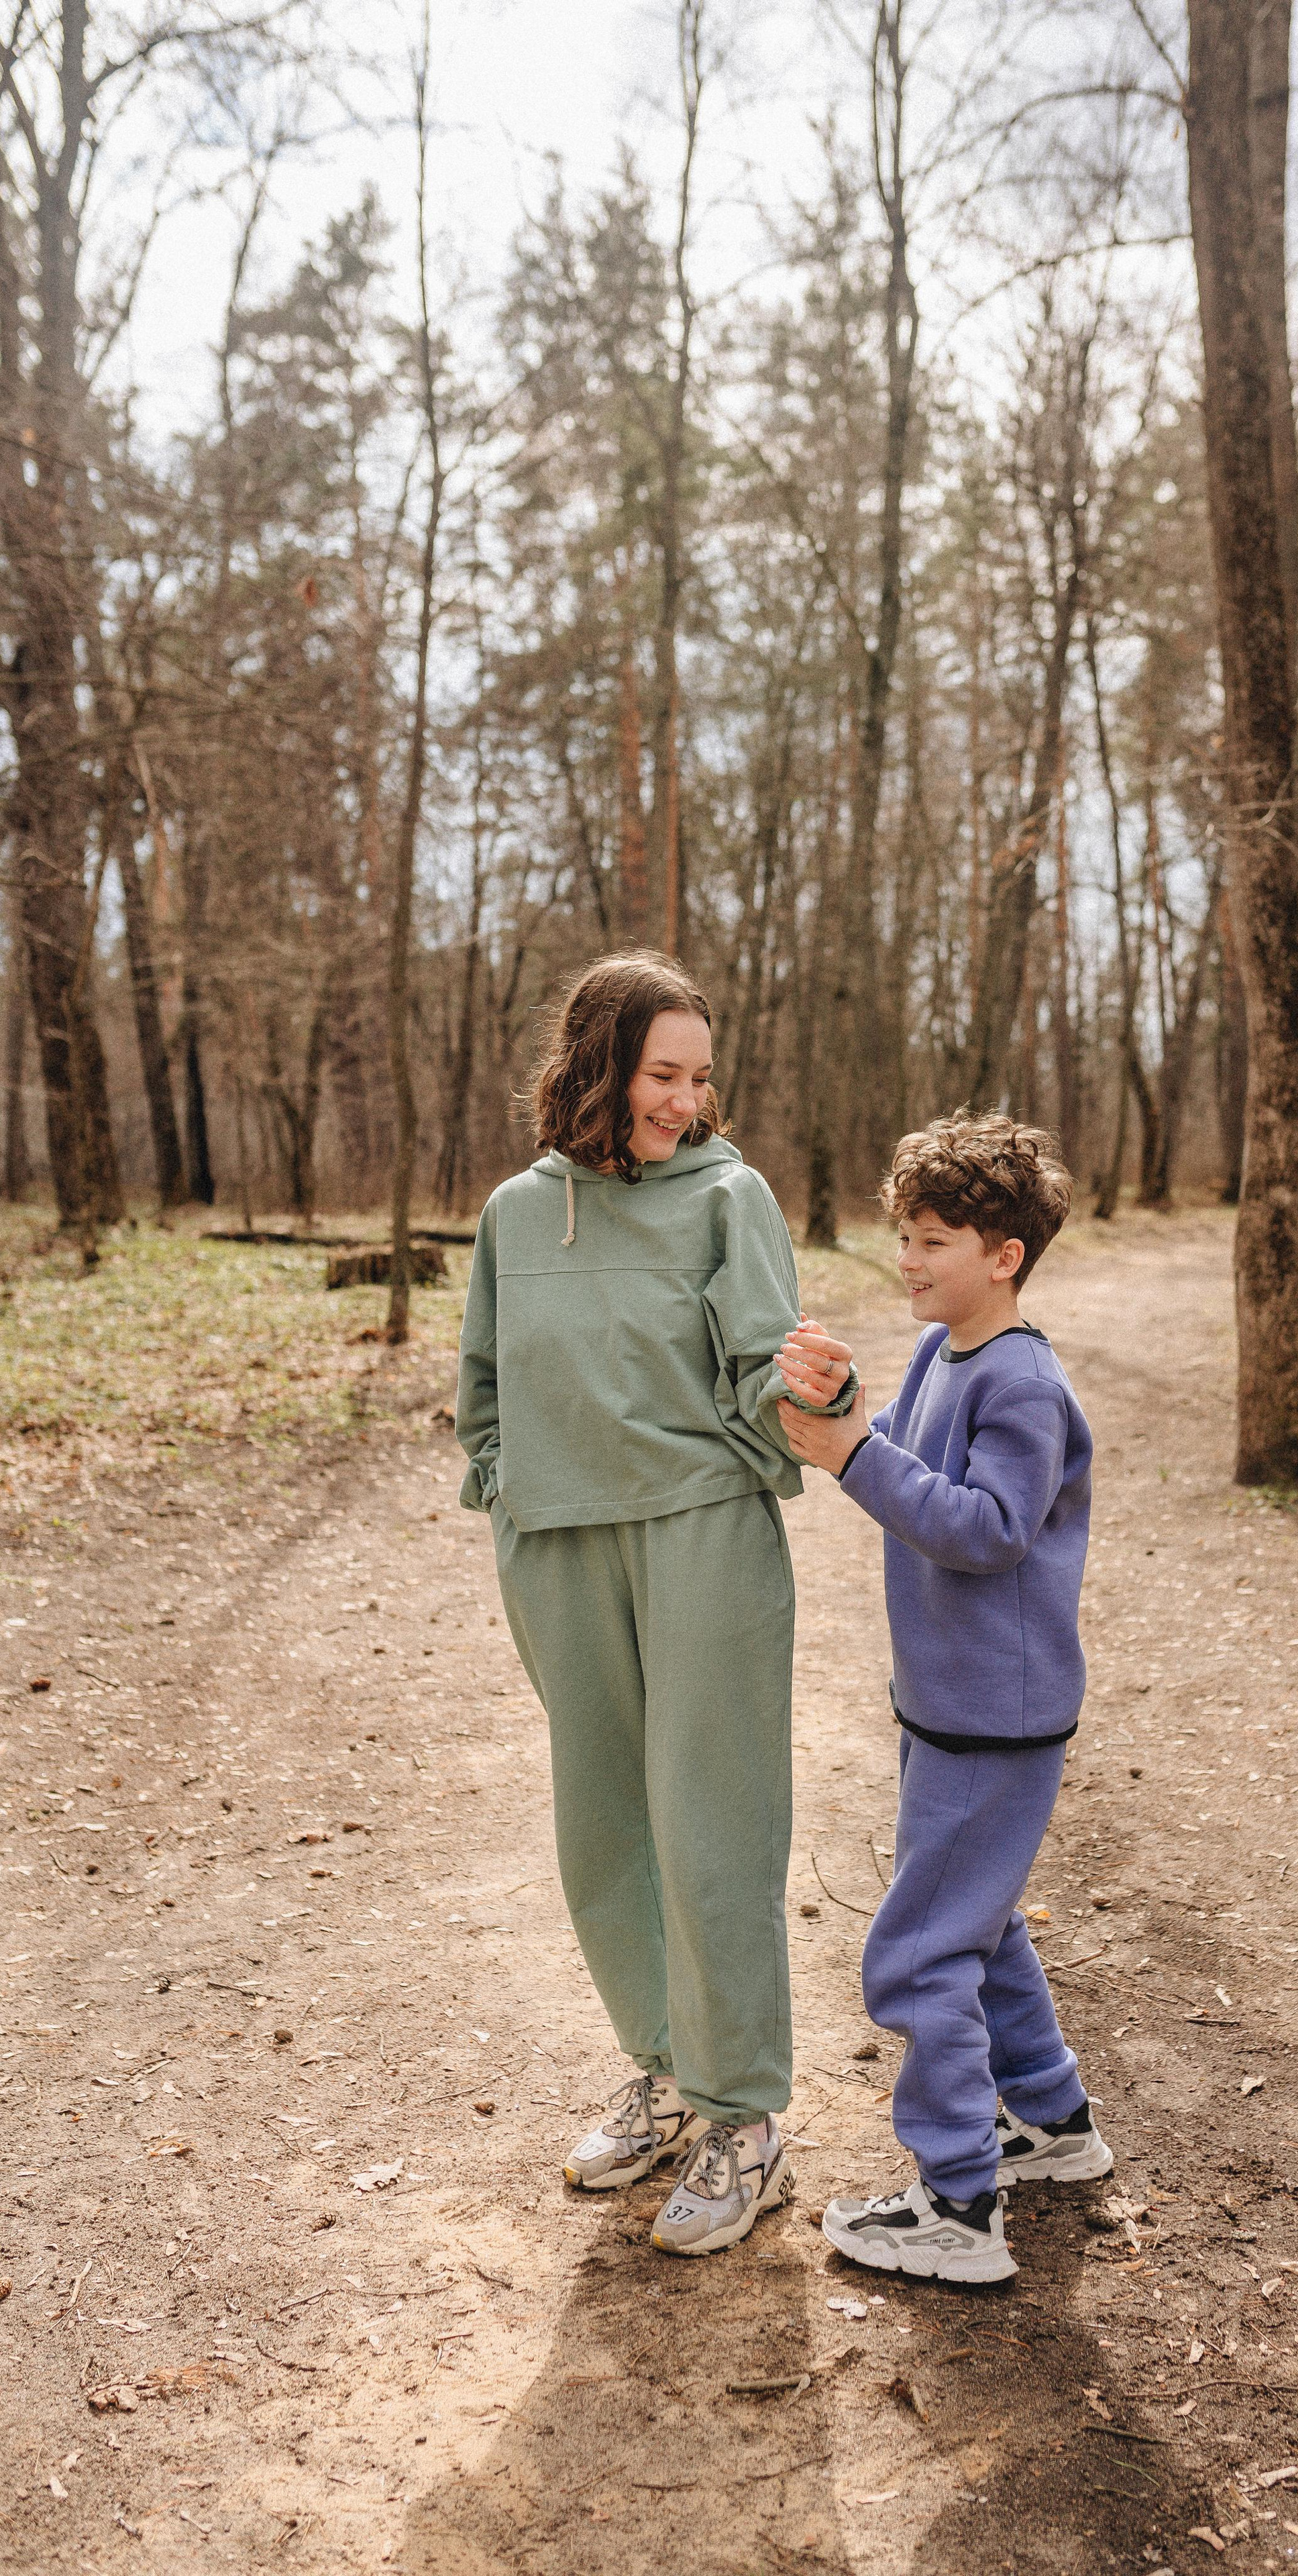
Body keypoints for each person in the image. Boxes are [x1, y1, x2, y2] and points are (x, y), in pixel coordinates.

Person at [456, 951, 855, 2257]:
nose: (684, 1101)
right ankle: (669, 2074)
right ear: (598, 1066)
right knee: (602, 1834)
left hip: (700, 1541)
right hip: (562, 1546)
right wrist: (511, 1494)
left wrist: (816, 1398)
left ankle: (745, 2123)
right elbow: (485, 1386)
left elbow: (763, 1383)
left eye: (697, 1076)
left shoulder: (728, 1200)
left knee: (709, 1828)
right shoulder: (519, 1216)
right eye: (659, 1074)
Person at [775, 1113, 1110, 2284]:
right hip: (947, 1706)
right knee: (981, 1922)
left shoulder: (1021, 1383)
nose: (908, 1260)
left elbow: (989, 1529)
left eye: (932, 1241)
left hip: (995, 1718)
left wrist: (852, 1456)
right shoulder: (944, 1354)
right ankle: (1053, 2128)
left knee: (920, 1954)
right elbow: (901, 1444)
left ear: (1003, 1254)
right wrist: (847, 1399)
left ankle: (960, 2207)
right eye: (905, 1237)